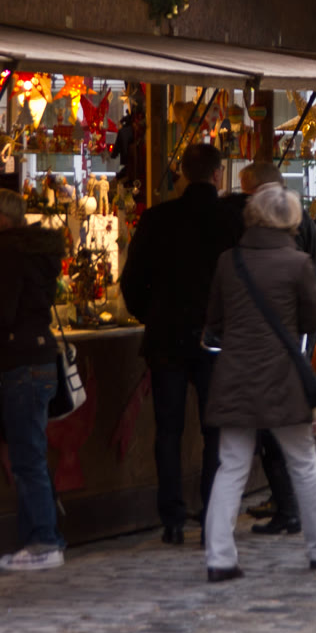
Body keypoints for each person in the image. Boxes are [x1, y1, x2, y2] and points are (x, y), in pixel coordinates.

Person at [201, 184, 316, 582]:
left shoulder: (228, 261)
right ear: (291, 221)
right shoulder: (298, 263)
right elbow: (312, 319)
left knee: (231, 466)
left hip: (235, 376)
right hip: (282, 378)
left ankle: (219, 557)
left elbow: (214, 320)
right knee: (302, 461)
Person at [120, 142, 232, 545]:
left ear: (183, 173)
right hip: (215, 338)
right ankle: (212, 516)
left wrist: (151, 315)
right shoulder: (229, 220)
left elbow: (132, 282)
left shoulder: (158, 218)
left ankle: (172, 519)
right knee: (215, 431)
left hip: (166, 335)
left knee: (168, 430)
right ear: (217, 174)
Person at [0, 189, 68, 572]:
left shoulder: (7, 250)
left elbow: (2, 312)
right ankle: (46, 537)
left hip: (21, 363)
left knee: (27, 459)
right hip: (41, 358)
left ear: (2, 220)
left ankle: (43, 543)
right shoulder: (36, 250)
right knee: (32, 455)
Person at [220, 159, 316, 536]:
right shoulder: (296, 246)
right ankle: (310, 527)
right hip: (285, 356)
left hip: (260, 361)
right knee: (295, 453)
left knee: (244, 458)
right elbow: (310, 313)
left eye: (247, 194)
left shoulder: (240, 257)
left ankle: (288, 513)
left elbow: (218, 318)